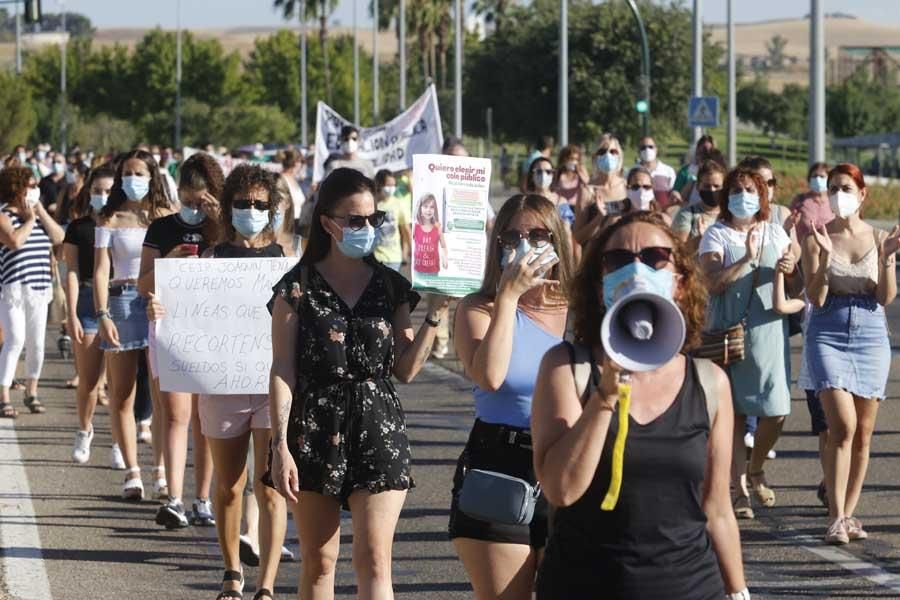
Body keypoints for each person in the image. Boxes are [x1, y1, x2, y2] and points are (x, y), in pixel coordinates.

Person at [531, 211, 748, 599]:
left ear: (679, 282)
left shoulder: (709, 383)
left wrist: (739, 591)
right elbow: (560, 491)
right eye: (617, 259)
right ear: (600, 285)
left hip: (692, 587)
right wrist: (604, 400)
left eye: (654, 257)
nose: (636, 267)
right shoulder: (567, 367)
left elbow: (717, 509)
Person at [268, 167, 450, 599]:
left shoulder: (391, 286)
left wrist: (437, 315)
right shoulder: (297, 287)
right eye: (355, 220)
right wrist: (279, 445)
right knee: (319, 561)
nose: (366, 228)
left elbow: (405, 370)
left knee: (374, 559)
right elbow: (282, 368)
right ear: (328, 223)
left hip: (378, 426)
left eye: (374, 219)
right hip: (314, 427)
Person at [150, 164, 288, 599]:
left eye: (259, 204)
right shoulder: (208, 260)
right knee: (229, 486)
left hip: (272, 388)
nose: (251, 210)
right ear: (228, 208)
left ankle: (266, 584)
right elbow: (182, 315)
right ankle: (232, 572)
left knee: (269, 487)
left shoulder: (287, 261)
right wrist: (162, 309)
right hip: (221, 386)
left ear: (272, 208)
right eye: (242, 203)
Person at [450, 194, 571, 600]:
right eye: (513, 236)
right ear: (497, 245)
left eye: (538, 235)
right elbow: (490, 375)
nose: (525, 244)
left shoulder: (582, 310)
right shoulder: (478, 308)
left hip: (569, 462)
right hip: (500, 465)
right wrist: (507, 297)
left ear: (557, 242)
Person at [802, 163, 900, 545]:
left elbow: (886, 297)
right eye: (832, 188)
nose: (837, 194)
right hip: (827, 330)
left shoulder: (879, 237)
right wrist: (825, 258)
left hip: (871, 333)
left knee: (863, 433)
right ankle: (835, 515)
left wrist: (888, 257)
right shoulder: (817, 237)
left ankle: (849, 513)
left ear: (862, 194)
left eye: (845, 187)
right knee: (841, 426)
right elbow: (816, 295)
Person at [699, 166, 799, 520]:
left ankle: (756, 468)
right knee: (738, 415)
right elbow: (711, 283)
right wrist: (743, 258)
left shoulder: (775, 231)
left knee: (778, 410)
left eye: (751, 189)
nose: (744, 196)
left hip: (770, 333)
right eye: (737, 190)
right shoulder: (716, 235)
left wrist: (791, 261)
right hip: (732, 334)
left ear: (763, 196)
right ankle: (739, 490)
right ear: (727, 197)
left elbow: (794, 269)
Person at [139, 152, 221, 527]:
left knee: (205, 422)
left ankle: (202, 499)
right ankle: (173, 497)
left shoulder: (223, 229)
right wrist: (168, 261)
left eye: (200, 202)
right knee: (175, 414)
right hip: (169, 329)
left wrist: (219, 223)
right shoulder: (162, 229)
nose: (193, 209)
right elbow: (143, 285)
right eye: (187, 201)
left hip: (212, 332)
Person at [94, 149, 170, 500]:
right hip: (122, 301)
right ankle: (132, 472)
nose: (133, 179)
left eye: (140, 173)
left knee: (162, 394)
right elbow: (100, 270)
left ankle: (161, 471)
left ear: (153, 176)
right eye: (127, 173)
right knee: (122, 394)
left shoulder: (166, 216)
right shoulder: (109, 217)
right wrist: (102, 313)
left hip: (157, 303)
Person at [0, 167, 65, 418]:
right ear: (16, 189)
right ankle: (4, 395)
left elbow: (59, 237)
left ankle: (31, 391)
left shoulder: (38, 214)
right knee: (15, 339)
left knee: (36, 343)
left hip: (39, 287)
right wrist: (28, 220)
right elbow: (15, 242)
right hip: (12, 288)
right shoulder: (4, 216)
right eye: (30, 185)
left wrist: (38, 213)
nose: (34, 189)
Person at [790, 161, 833, 508]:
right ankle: (831, 479)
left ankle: (835, 480)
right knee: (827, 418)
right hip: (817, 316)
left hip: (860, 334)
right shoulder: (802, 209)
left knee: (852, 427)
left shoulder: (865, 233)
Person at [67, 164, 115, 461]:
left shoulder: (125, 226)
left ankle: (121, 443)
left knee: (122, 384)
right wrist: (70, 313)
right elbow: (71, 270)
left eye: (108, 191)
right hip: (85, 302)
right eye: (97, 191)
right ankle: (84, 430)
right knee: (89, 379)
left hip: (121, 301)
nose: (102, 196)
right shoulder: (79, 227)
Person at [572, 134, 627, 246]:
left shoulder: (628, 186)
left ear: (619, 156)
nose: (608, 155)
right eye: (602, 152)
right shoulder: (587, 191)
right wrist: (599, 219)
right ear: (595, 157)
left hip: (623, 254)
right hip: (595, 256)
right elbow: (577, 238)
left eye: (613, 151)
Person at [672, 160, 727, 255]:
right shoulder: (687, 214)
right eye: (706, 186)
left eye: (716, 186)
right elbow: (679, 252)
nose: (712, 190)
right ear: (698, 187)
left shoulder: (730, 214)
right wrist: (701, 238)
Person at [373, 169, 411, 272]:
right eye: (388, 185)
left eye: (393, 185)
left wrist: (412, 252)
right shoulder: (371, 204)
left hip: (393, 258)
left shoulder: (399, 204)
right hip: (374, 258)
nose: (391, 188)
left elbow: (405, 230)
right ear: (379, 184)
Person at [672, 134, 716, 204]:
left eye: (708, 151)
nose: (704, 154)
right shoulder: (685, 172)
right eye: (702, 150)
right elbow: (676, 192)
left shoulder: (719, 173)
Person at [412, 193, 448, 275]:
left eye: (432, 207)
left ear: (435, 210)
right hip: (418, 271)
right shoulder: (415, 227)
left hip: (434, 271)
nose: (428, 210)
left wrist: (444, 257)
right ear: (420, 208)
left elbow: (443, 246)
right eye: (425, 206)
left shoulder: (438, 227)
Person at [636, 136, 676, 208]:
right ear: (639, 151)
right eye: (643, 148)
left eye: (650, 147)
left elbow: (674, 196)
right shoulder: (632, 172)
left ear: (656, 149)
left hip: (662, 215)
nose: (647, 150)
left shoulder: (668, 171)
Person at [553, 144, 591, 211]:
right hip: (562, 207)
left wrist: (579, 173)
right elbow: (553, 188)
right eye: (571, 158)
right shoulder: (559, 172)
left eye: (576, 159)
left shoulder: (581, 169)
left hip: (577, 207)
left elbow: (588, 184)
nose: (573, 161)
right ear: (564, 159)